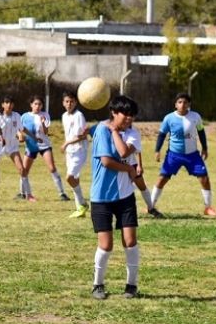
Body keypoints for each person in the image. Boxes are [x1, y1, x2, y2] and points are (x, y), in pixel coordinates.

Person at [90, 95, 141, 300]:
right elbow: (106, 161)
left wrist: (116, 131)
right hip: (101, 197)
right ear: (113, 112)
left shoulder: (132, 133)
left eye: (132, 115)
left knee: (130, 241)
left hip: (125, 196)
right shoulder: (102, 130)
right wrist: (129, 167)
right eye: (125, 114)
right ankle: (97, 284)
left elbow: (123, 151)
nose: (129, 118)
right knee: (106, 244)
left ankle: (131, 285)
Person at [150, 93, 216, 216]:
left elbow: (201, 132)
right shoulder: (169, 118)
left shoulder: (195, 116)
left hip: (192, 155)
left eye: (185, 102)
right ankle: (151, 206)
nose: (182, 104)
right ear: (175, 104)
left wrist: (205, 148)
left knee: (204, 179)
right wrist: (157, 150)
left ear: (189, 104)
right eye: (180, 102)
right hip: (174, 155)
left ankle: (208, 207)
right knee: (162, 179)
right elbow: (161, 135)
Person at [19, 95, 69, 202]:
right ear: (31, 105)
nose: (37, 106)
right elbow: (19, 129)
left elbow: (46, 132)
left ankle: (62, 193)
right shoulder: (24, 116)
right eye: (35, 104)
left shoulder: (45, 115)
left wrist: (42, 122)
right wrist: (20, 136)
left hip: (44, 146)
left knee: (52, 168)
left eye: (40, 104)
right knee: (24, 170)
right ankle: (22, 193)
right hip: (31, 146)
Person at [121, 123, 164, 218]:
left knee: (142, 186)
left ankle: (151, 208)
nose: (128, 120)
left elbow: (137, 150)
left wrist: (139, 165)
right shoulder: (113, 131)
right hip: (119, 166)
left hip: (132, 164)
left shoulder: (133, 132)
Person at [60, 90, 90, 217]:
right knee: (74, 179)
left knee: (69, 177)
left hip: (79, 151)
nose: (69, 104)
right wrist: (67, 145)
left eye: (71, 101)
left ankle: (83, 203)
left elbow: (83, 136)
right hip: (70, 152)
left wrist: (66, 143)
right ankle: (80, 209)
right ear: (63, 103)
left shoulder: (79, 115)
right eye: (67, 101)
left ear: (75, 102)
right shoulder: (64, 116)